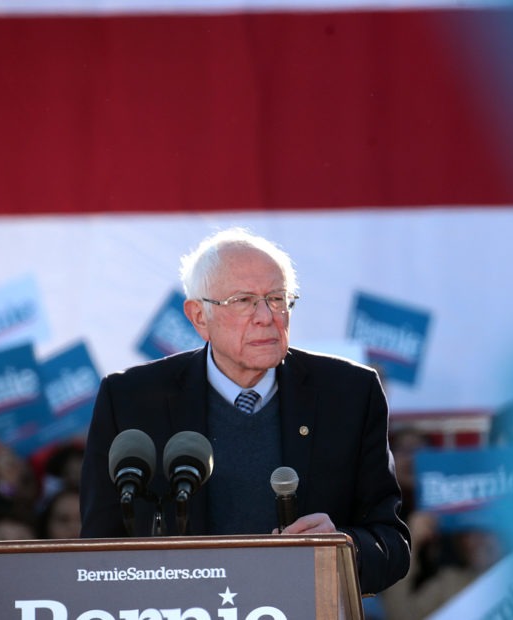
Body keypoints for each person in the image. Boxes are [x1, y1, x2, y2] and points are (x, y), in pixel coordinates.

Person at [80, 227, 410, 595]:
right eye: (243, 300)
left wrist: (343, 547)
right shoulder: (131, 399)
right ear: (198, 316)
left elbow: (391, 544)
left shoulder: (348, 393)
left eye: (277, 298)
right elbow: (97, 549)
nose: (267, 317)